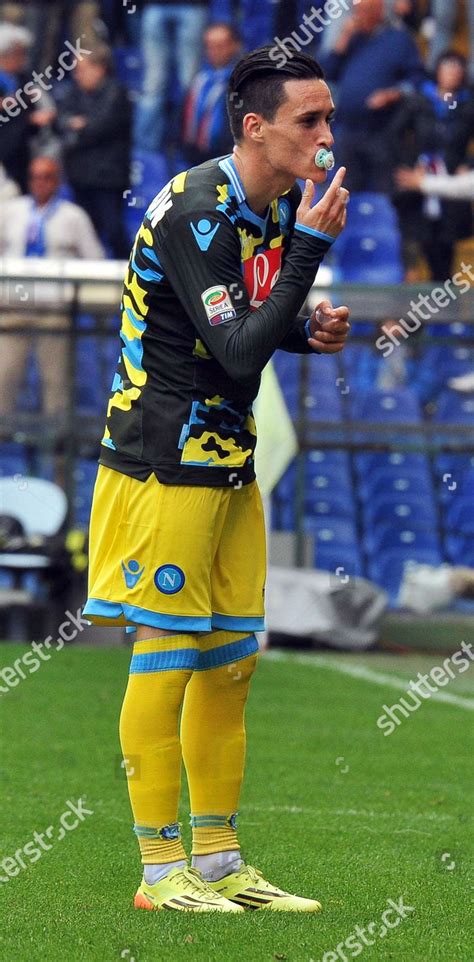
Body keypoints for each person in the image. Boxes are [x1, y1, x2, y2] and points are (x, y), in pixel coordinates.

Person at [83, 46, 350, 913]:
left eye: (330, 117)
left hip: (226, 461)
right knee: (166, 664)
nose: (325, 134)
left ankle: (220, 862)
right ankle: (161, 876)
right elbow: (233, 346)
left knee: (231, 666)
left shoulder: (267, 206)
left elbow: (240, 331)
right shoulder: (200, 212)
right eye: (310, 119)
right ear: (255, 126)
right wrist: (309, 249)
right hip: (165, 462)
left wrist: (309, 330)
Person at [0, 156, 104, 418]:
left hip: (54, 312)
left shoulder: (74, 216)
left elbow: (97, 262)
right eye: (35, 177)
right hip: (13, 309)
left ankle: (57, 448)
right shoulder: (11, 211)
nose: (41, 183)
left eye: (47, 177)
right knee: (3, 378)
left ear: (57, 181)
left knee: (56, 383)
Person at [318, 0, 424, 192]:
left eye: (363, 11)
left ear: (379, 12)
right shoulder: (352, 40)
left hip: (382, 131)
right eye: (356, 11)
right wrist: (344, 37)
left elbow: (417, 80)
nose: (357, 16)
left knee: (380, 193)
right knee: (343, 191)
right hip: (346, 130)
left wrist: (393, 93)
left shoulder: (399, 39)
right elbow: (325, 72)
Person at [390, 51, 474, 280]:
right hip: (418, 185)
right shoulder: (419, 101)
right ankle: (411, 306)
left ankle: (442, 308)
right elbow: (394, 134)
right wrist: (410, 164)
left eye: (457, 68)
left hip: (451, 185)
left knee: (444, 252)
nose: (452, 73)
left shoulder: (467, 107)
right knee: (414, 247)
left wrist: (468, 162)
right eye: (447, 66)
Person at [57, 44, 131, 259]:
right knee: (82, 235)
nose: (76, 75)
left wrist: (80, 126)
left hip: (107, 178)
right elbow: (59, 121)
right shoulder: (73, 93)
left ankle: (129, 277)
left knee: (113, 230)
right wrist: (77, 125)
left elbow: (99, 127)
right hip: (79, 176)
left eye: (81, 69)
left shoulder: (116, 92)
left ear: (99, 68)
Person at [134, 0, 208, 153]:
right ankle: (144, 155)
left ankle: (189, 148)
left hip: (192, 6)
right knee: (153, 86)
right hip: (155, 6)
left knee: (190, 86)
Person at [182, 22, 241, 167]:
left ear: (235, 45)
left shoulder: (244, 81)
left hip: (228, 159)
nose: (214, 51)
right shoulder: (200, 80)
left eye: (220, 46)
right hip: (194, 156)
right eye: (209, 46)